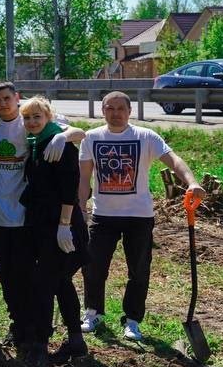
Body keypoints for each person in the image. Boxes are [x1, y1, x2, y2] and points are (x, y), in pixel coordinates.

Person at [78, 91, 204, 341]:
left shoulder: (145, 136)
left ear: (129, 111)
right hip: (103, 215)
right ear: (103, 111)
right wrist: (81, 207)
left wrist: (191, 182)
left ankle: (132, 320)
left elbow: (174, 160)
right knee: (93, 266)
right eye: (110, 109)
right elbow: (83, 178)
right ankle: (93, 312)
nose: (115, 114)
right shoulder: (91, 138)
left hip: (139, 216)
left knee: (139, 269)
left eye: (120, 109)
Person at [0, 81, 82, 345]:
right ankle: (20, 325)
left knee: (38, 277)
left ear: (17, 98)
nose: (3, 104)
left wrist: (64, 136)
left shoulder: (42, 126)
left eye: (7, 98)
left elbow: (79, 133)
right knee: (8, 275)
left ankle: (40, 333)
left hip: (33, 218)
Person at [18, 96, 90, 367]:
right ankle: (75, 340)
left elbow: (69, 188)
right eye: (27, 118)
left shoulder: (60, 144)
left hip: (62, 226)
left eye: (37, 116)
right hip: (41, 224)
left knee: (45, 284)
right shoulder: (36, 144)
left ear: (48, 117)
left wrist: (64, 225)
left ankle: (39, 346)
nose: (32, 122)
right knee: (60, 282)